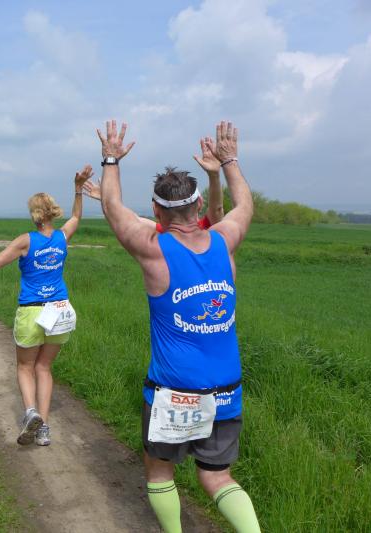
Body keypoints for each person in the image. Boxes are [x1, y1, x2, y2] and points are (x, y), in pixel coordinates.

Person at [96, 120, 260, 532]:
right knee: (218, 478)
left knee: (159, 471)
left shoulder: (153, 250)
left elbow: (112, 207)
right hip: (227, 387)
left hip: (173, 391)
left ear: (156, 212)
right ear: (199, 206)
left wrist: (111, 159)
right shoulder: (225, 239)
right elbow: (245, 206)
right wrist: (229, 162)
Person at [0, 166, 93, 446]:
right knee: (44, 368)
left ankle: (30, 412)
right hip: (60, 310)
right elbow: (76, 217)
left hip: (32, 311)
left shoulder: (26, 241)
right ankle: (44, 429)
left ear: (34, 214)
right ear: (52, 212)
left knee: (25, 367)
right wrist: (78, 189)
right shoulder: (62, 237)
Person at [82, 135, 225, 230]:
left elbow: (126, 218)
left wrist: (106, 199)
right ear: (199, 203)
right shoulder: (208, 230)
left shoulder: (156, 239)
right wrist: (214, 174)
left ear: (155, 209)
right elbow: (217, 209)